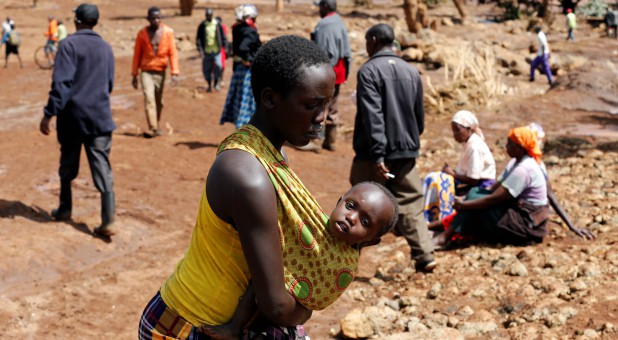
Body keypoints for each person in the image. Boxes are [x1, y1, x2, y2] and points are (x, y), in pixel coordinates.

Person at [138, 35, 363, 339]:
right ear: (270, 98)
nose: (322, 117)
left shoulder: (264, 151)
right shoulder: (248, 175)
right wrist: (308, 308)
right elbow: (276, 307)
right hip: (190, 325)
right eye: (312, 105)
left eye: (326, 103)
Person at [200, 181, 399, 339]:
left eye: (365, 222)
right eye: (350, 206)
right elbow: (283, 220)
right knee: (262, 281)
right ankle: (235, 327)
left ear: (371, 240)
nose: (352, 218)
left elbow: (317, 297)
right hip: (253, 287)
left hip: (283, 318)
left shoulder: (346, 266)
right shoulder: (309, 220)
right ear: (340, 200)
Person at [350, 23, 436, 273]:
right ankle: (425, 255)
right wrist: (410, 140)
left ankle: (344, 258)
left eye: (367, 42)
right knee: (410, 200)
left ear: (374, 40)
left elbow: (372, 115)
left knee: (359, 201)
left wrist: (378, 153)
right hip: (406, 150)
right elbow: (419, 115)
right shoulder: (411, 71)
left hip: (374, 153)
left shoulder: (369, 71)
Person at [39, 4, 117, 237]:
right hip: (100, 118)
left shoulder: (68, 45)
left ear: (76, 21)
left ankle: (65, 208)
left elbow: (61, 84)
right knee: (102, 167)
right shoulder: (106, 47)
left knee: (68, 164)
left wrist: (48, 113)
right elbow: (110, 84)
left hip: (72, 118)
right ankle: (108, 219)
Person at [433, 127, 551, 246]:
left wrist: (464, 205)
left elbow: (495, 198)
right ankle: (450, 233)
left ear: (520, 148)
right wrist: (467, 198)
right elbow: (492, 189)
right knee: (474, 193)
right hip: (517, 211)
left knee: (475, 205)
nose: (506, 146)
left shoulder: (524, 169)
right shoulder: (515, 163)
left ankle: (447, 235)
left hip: (527, 223)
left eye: (510, 143)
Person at [423, 110, 495, 223]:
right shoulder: (469, 143)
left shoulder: (474, 146)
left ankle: (441, 219)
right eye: (453, 131)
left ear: (469, 129)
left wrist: (452, 174)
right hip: (472, 184)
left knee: (439, 182)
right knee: (434, 178)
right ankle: (434, 218)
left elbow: (473, 179)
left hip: (480, 188)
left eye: (458, 130)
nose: (455, 134)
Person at [527, 123, 595, 240]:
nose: (540, 143)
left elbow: (550, 195)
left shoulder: (534, 163)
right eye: (538, 139)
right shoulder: (530, 163)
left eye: (540, 140)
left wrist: (572, 226)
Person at [304, 0, 352, 152]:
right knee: (333, 105)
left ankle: (317, 140)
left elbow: (322, 52)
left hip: (327, 71)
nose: (319, 10)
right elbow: (347, 52)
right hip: (339, 71)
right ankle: (331, 141)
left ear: (325, 7)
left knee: (320, 105)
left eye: (320, 7)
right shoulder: (340, 22)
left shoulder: (324, 24)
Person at [131, 6, 179, 138]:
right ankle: (152, 127)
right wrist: (134, 74)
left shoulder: (168, 32)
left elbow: (173, 53)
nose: (155, 20)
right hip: (146, 71)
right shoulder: (142, 34)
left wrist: (174, 73)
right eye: (153, 18)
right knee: (149, 99)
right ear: (148, 19)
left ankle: (156, 124)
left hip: (160, 71)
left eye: (158, 18)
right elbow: (137, 54)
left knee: (158, 101)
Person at [219, 4, 261, 129]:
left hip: (238, 69)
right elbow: (243, 47)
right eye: (254, 18)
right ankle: (245, 128)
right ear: (249, 17)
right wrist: (250, 59)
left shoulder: (236, 29)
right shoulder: (249, 31)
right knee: (247, 101)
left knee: (239, 99)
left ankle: (242, 127)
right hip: (247, 72)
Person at [196, 8, 226, 92]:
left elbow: (223, 37)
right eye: (207, 15)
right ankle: (209, 85)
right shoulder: (202, 25)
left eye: (210, 15)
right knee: (207, 69)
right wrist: (200, 50)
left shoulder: (217, 24)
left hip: (216, 50)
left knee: (218, 66)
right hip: (207, 51)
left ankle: (216, 83)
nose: (208, 17)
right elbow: (198, 39)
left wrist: (225, 47)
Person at [216, 16, 229, 87]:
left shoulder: (223, 27)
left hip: (222, 49)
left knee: (222, 66)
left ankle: (221, 79)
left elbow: (225, 38)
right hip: (216, 49)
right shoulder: (214, 26)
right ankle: (217, 79)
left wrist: (226, 49)